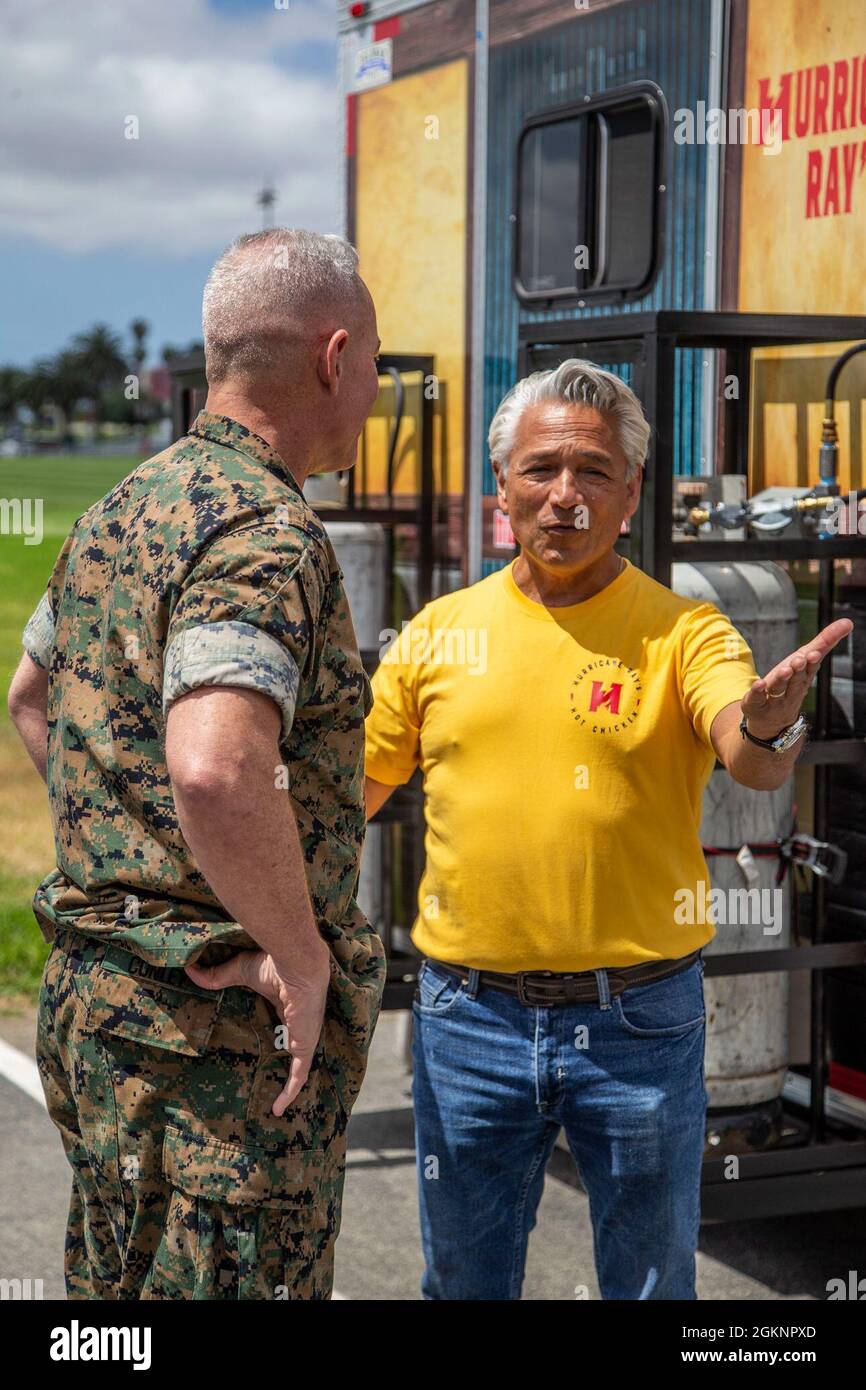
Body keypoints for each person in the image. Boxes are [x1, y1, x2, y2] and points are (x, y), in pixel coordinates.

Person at [364, 359, 852, 1301]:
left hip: (638, 1020)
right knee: (462, 1284)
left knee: (652, 1288)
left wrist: (767, 722)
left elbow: (749, 755)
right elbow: (353, 793)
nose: (564, 497)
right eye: (541, 469)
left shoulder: (685, 633)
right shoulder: (436, 636)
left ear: (632, 493)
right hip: (469, 1020)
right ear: (501, 487)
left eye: (593, 472)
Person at [7, 228, 386, 1300]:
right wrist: (298, 955)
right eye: (371, 368)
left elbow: (33, 700)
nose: (371, 392)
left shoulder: (120, 510)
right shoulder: (263, 531)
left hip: (100, 1006)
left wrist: (146, 865)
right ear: (332, 355)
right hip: (214, 1037)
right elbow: (217, 768)